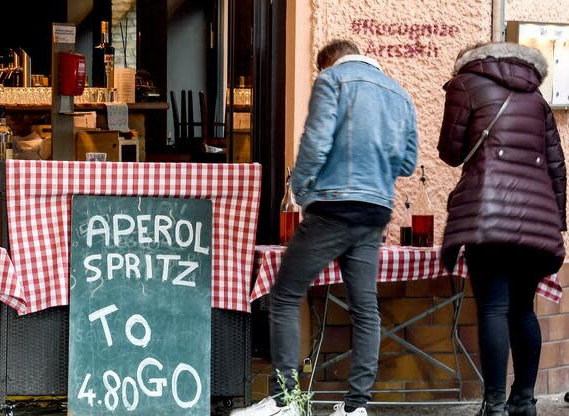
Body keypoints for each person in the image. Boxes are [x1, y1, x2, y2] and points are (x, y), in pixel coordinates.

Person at [231, 39, 418, 416]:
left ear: (328, 62)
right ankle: (355, 408)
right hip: (375, 211)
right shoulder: (400, 94)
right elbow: (408, 163)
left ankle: (287, 402)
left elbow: (316, 142)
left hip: (333, 205)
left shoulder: (333, 80)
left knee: (284, 295)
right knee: (365, 308)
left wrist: (299, 188)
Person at [439, 42, 566, 416]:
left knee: (494, 307)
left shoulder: (465, 85)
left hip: (487, 214)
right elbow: (557, 165)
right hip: (535, 218)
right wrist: (556, 223)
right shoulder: (537, 97)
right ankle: (524, 401)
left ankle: (493, 404)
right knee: (523, 309)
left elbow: (450, 151)